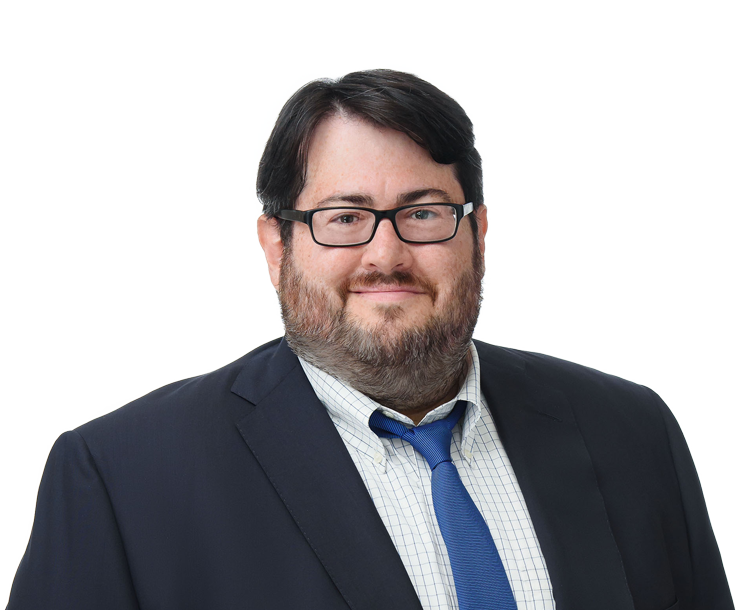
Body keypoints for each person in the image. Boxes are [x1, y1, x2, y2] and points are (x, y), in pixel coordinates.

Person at [6, 69, 733, 610]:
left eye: (423, 214)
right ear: (277, 246)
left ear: (478, 233)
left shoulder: (630, 431)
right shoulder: (120, 480)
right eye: (344, 218)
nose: (386, 255)